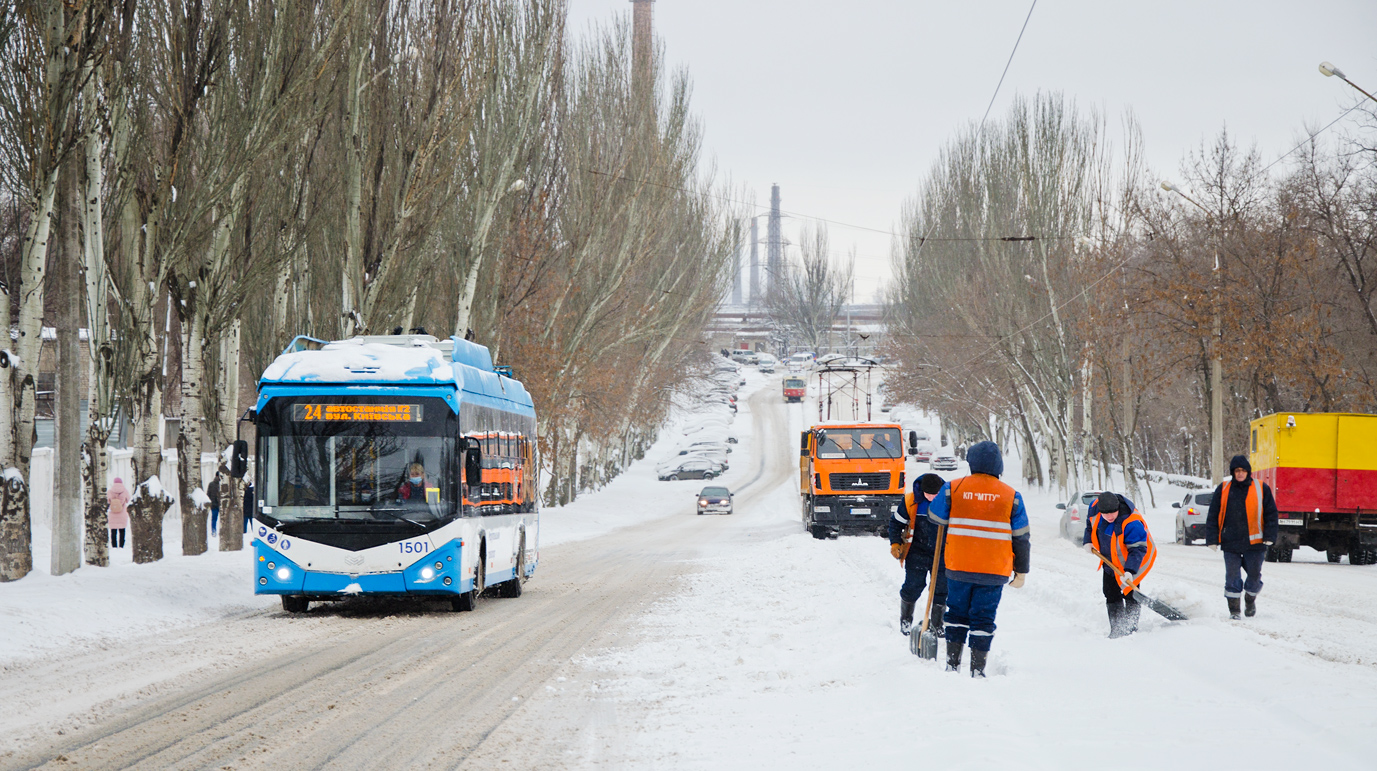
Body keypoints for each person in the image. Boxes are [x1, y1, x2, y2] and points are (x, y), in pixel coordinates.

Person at [927, 440, 1030, 678]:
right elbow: (1022, 537)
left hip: (958, 566)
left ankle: (952, 664)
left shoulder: (953, 488)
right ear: (999, 465)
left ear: (971, 462)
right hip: (994, 570)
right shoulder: (1011, 496)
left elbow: (935, 516)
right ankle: (977, 669)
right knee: (984, 617)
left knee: (957, 613)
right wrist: (1021, 570)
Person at [1205, 455, 1278, 619]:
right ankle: (1235, 611)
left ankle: (1250, 599)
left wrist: (1270, 535)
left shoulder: (1261, 488)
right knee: (1232, 577)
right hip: (1230, 542)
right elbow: (1213, 514)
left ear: (1248, 472)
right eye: (1237, 471)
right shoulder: (1223, 488)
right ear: (1232, 472)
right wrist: (1212, 539)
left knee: (1254, 575)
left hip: (1256, 542)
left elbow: (1271, 514)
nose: (1240, 474)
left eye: (1243, 470)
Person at [1082, 491, 1157, 638]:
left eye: (1113, 513)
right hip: (1109, 561)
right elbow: (1089, 525)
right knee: (1110, 593)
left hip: (1132, 561)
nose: (1110, 517)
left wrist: (1130, 570)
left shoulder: (1131, 522)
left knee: (1131, 594)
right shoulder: (1094, 508)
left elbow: (1138, 549)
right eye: (1106, 514)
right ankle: (1117, 629)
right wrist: (1088, 540)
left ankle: (1131, 629)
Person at [889, 473, 948, 636]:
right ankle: (906, 620)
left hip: (943, 552)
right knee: (912, 586)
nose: (932, 497)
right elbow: (895, 524)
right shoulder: (910, 501)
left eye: (936, 494)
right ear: (922, 491)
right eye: (929, 494)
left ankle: (937, 624)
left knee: (941, 589)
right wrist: (895, 543)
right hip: (917, 551)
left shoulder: (948, 500)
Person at [107, 477, 131, 549]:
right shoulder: (125, 491)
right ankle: (121, 546)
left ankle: (114, 546)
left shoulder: (110, 491)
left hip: (112, 513)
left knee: (113, 531)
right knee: (122, 530)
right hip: (122, 513)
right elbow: (128, 500)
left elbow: (107, 502)